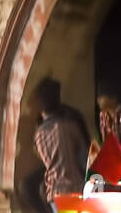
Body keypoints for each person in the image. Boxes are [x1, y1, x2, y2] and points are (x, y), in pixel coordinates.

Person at [33, 76, 90, 204]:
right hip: (76, 190)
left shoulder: (38, 134)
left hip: (54, 193)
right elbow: (85, 161)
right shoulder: (70, 126)